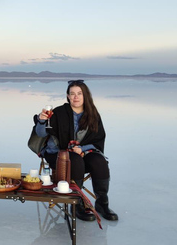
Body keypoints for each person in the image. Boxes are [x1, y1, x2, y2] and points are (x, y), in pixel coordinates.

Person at [34, 80, 118, 221]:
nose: (76, 97)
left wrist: (82, 149)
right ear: (67, 96)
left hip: (82, 152)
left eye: (79, 93)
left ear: (85, 96)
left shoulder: (92, 114)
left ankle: (102, 204)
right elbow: (41, 134)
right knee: (76, 160)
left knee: (99, 161)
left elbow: (98, 138)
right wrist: (42, 121)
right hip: (58, 153)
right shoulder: (59, 112)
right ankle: (77, 204)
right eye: (72, 94)